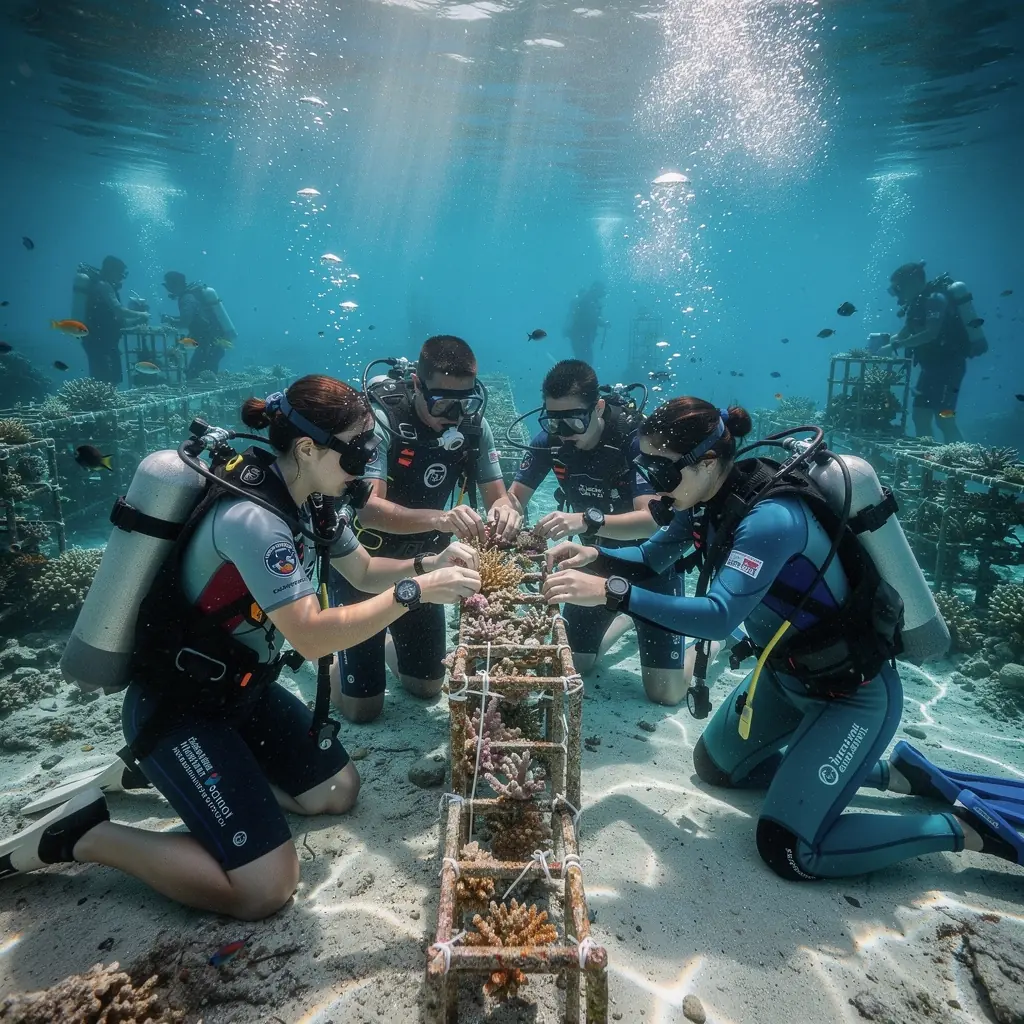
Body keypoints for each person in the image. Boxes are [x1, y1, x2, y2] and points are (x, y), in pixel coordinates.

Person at [0, 376, 481, 918]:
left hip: (242, 693)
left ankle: (164, 775)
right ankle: (84, 836)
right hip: (179, 708)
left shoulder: (314, 504)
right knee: (265, 888)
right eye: (360, 451)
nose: (368, 465)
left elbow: (365, 571)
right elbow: (311, 633)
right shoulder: (254, 520)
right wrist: (415, 593)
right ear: (306, 449)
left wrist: (428, 563)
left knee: (336, 792)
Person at [540, 397, 1018, 878]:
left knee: (789, 848)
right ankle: (897, 776)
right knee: (717, 768)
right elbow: (650, 559)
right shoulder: (703, 502)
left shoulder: (769, 519)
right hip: (783, 677)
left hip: (849, 694)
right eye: (647, 469)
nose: (656, 489)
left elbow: (719, 617)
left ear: (706, 463)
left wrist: (611, 593)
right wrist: (591, 556)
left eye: (663, 473)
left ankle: (967, 827)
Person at [330, 335, 522, 724]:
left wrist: (507, 510)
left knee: (427, 687)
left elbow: (497, 497)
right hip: (366, 562)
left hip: (428, 564)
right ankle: (339, 648)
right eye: (442, 402)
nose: (453, 414)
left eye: (464, 402)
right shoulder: (380, 420)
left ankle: (381, 635)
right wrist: (439, 518)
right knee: (362, 711)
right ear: (417, 383)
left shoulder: (474, 426)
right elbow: (368, 510)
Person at [508, 359, 706, 705]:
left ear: (598, 407)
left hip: (651, 568)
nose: (563, 430)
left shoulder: (637, 441)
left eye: (574, 418)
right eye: (553, 420)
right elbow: (514, 498)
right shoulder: (549, 441)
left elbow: (651, 519)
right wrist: (505, 511)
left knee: (665, 694)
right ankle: (629, 617)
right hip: (595, 562)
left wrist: (585, 520)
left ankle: (714, 642)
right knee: (576, 664)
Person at [871, 261, 984, 442]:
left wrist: (894, 347)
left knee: (944, 419)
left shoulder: (935, 300)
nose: (897, 294)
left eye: (899, 288)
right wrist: (884, 344)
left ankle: (958, 462)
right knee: (919, 417)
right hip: (929, 369)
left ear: (914, 282)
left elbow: (931, 334)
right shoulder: (915, 304)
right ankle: (927, 466)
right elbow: (903, 334)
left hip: (949, 368)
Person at [82, 255, 150, 384]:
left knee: (108, 377)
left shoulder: (100, 285)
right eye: (120, 273)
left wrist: (135, 320)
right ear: (112, 270)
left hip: (100, 340)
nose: (122, 277)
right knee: (105, 378)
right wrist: (142, 315)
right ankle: (103, 403)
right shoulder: (103, 285)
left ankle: (104, 401)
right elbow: (119, 311)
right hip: (100, 341)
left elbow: (115, 320)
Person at [162, 271, 232, 378]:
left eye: (168, 285)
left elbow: (185, 321)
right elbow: (192, 318)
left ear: (176, 284)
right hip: (212, 342)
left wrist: (171, 321)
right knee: (204, 375)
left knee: (195, 375)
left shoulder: (187, 299)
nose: (167, 289)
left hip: (209, 343)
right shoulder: (192, 295)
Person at [563, 282, 606, 364]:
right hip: (580, 334)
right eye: (601, 290)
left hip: (580, 334)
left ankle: (577, 374)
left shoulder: (589, 299)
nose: (603, 293)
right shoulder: (588, 300)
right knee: (585, 360)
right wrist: (602, 323)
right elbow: (590, 316)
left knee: (583, 359)